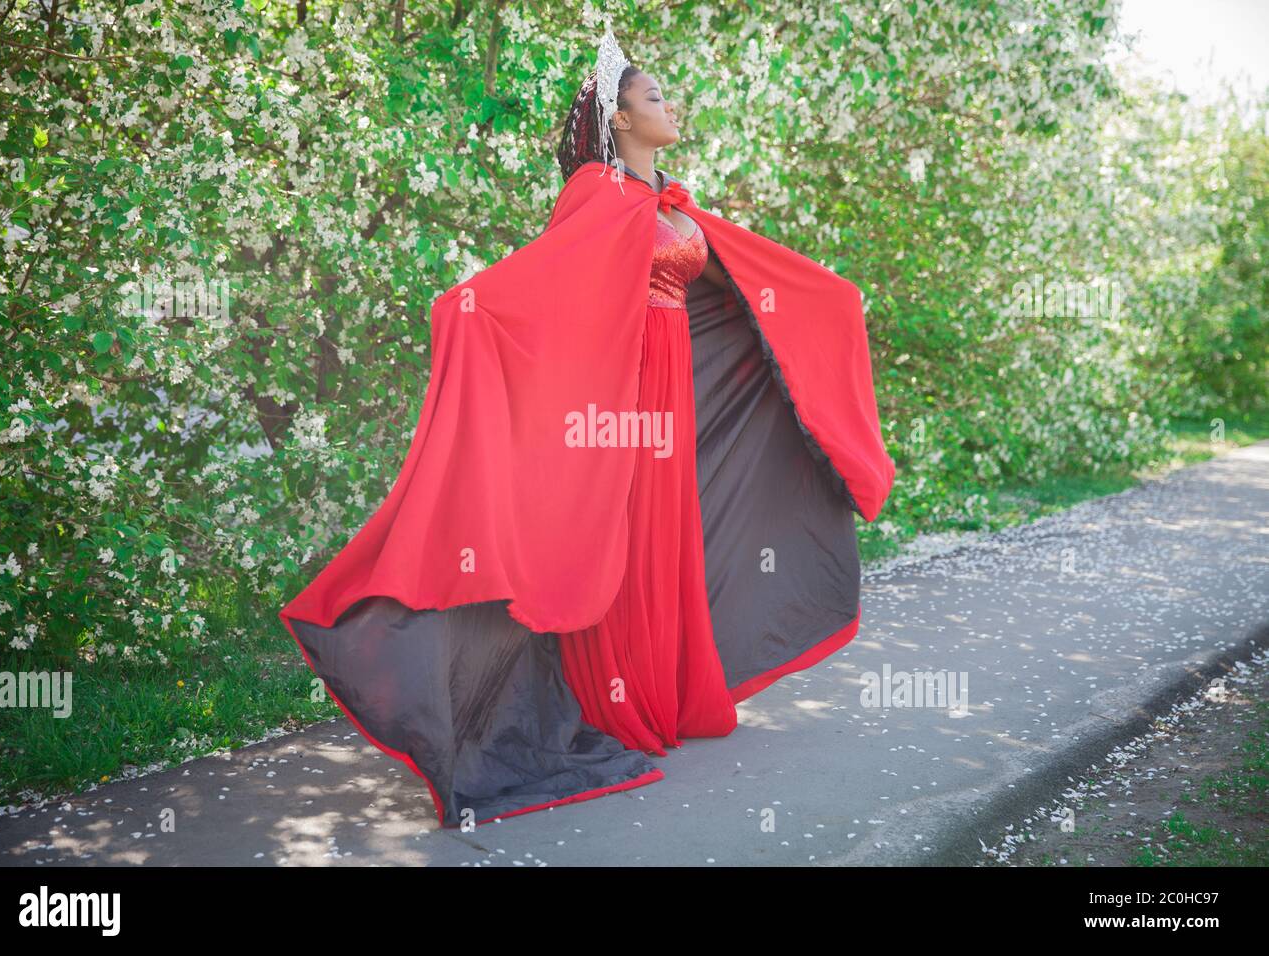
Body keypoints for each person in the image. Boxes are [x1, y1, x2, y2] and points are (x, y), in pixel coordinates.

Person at [279, 26, 895, 830]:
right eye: (654, 96)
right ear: (621, 120)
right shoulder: (597, 196)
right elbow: (547, 280)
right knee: (627, 532)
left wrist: (828, 302)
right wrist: (467, 309)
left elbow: (736, 275)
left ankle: (659, 693)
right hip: (621, 394)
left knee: (668, 531)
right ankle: (615, 701)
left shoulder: (666, 199)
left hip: (671, 380)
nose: (670, 104)